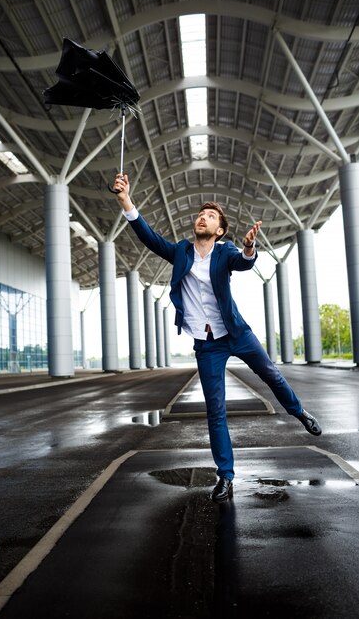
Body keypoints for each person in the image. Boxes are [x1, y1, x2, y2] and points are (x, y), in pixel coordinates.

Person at [113, 173, 322, 503]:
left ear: (220, 230)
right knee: (216, 412)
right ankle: (226, 477)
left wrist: (250, 246)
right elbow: (150, 237)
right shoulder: (181, 251)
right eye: (200, 214)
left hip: (237, 334)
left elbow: (243, 263)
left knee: (273, 376)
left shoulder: (225, 252)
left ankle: (299, 412)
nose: (202, 217)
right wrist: (126, 199)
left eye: (210, 216)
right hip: (207, 344)